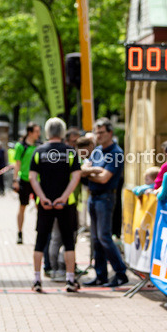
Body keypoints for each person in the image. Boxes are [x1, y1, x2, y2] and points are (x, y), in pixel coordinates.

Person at [28, 118, 83, 293]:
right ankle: (70, 280)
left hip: (45, 204)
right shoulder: (70, 152)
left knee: (40, 241)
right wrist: (64, 198)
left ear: (46, 132)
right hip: (66, 204)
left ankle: (37, 280)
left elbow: (32, 178)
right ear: (63, 132)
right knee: (68, 241)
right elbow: (76, 177)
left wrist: (43, 198)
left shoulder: (39, 151)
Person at [84, 118, 128, 287]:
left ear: (110, 133)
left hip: (105, 197)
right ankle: (100, 275)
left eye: (101, 132)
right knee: (95, 239)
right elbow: (85, 169)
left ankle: (120, 272)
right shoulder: (97, 151)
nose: (98, 135)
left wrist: (90, 172)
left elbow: (104, 178)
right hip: (93, 197)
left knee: (104, 237)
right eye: (96, 132)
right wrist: (94, 171)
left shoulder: (116, 153)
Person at [12, 122, 41, 244]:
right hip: (24, 180)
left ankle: (40, 232)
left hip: (38, 182)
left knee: (40, 207)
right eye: (36, 131)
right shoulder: (20, 146)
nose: (38, 134)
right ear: (30, 132)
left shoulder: (40, 146)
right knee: (22, 207)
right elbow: (17, 164)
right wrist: (15, 180)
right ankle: (19, 233)